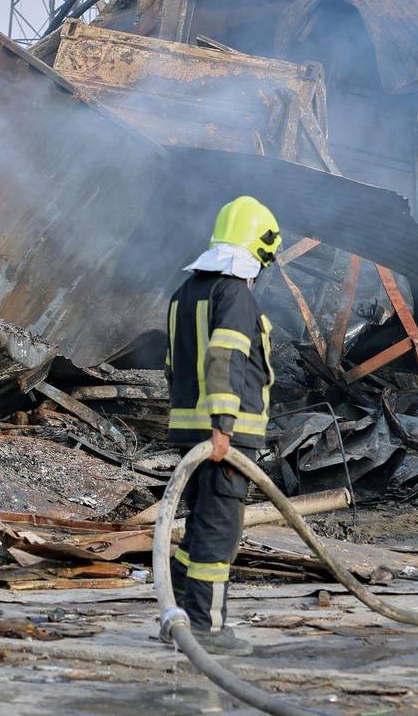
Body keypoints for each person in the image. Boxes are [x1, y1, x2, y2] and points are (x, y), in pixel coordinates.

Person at [165, 195, 281, 655]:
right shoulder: (234, 294)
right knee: (219, 530)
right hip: (222, 438)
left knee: (198, 528)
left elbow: (175, 366)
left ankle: (177, 618)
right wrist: (223, 426)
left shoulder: (184, 293)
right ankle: (207, 629)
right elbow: (227, 359)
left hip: (190, 430)